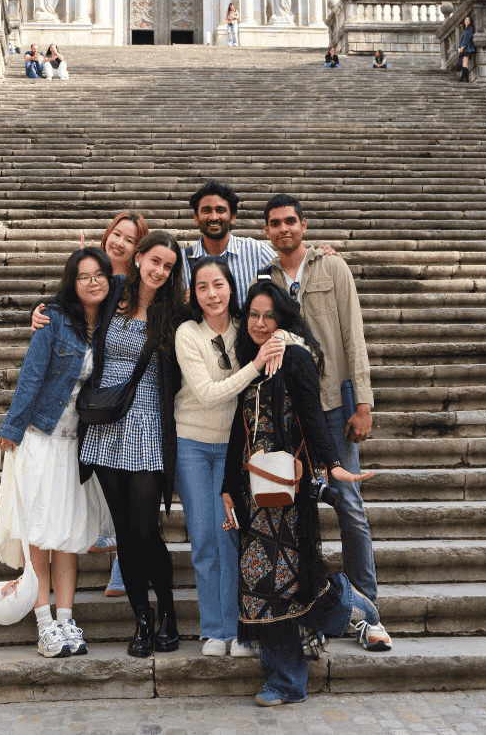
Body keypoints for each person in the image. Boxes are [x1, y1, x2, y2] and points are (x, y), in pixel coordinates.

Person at [222, 281, 384, 707]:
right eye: (253, 315)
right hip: (252, 489)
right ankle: (344, 599)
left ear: (284, 317)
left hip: (289, 490)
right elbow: (239, 430)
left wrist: (332, 465)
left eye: (268, 315)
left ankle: (286, 681)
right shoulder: (250, 358)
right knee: (264, 582)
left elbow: (312, 416)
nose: (259, 324)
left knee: (281, 582)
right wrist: (225, 488)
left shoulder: (294, 355)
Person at [254, 193, 392, 649]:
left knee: (349, 505)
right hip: (289, 411)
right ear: (267, 230)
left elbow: (354, 333)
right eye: (275, 223)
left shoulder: (333, 268)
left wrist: (364, 403)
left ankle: (367, 608)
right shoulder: (263, 275)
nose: (283, 229)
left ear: (304, 225)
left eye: (290, 221)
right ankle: (306, 608)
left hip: (333, 402)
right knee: (295, 507)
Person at [0, 247, 114, 659]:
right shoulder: (54, 320)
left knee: (67, 536)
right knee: (40, 535)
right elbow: (31, 376)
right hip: (40, 439)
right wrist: (11, 427)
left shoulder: (113, 323)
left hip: (78, 446)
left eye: (100, 274)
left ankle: (67, 619)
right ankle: (45, 623)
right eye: (84, 276)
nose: (94, 281)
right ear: (72, 282)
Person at [33, 211, 150, 598]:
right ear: (106, 236)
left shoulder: (136, 285)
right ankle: (105, 539)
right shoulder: (91, 275)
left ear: (138, 250)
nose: (119, 242)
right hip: (87, 402)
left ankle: (122, 563)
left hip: (124, 400)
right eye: (116, 234)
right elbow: (64, 305)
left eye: (129, 239)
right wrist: (39, 310)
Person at [79, 231, 186, 658]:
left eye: (168, 266)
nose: (160, 271)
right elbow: (71, 301)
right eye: (155, 261)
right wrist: (41, 311)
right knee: (124, 531)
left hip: (147, 423)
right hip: (106, 421)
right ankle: (142, 619)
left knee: (145, 530)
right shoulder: (113, 294)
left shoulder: (174, 313)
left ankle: (169, 613)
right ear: (139, 258)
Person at [174, 257, 285, 658]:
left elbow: (288, 337)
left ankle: (240, 630)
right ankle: (213, 630)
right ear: (194, 295)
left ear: (230, 287)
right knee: (204, 538)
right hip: (192, 445)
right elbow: (206, 393)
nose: (212, 294)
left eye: (218, 285)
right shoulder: (187, 333)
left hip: (235, 448)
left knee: (231, 537)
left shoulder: (248, 328)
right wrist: (254, 366)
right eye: (203, 287)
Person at [183, 182, 276, 305]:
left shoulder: (258, 252)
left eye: (220, 210)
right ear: (196, 218)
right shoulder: (182, 261)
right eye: (206, 211)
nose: (214, 217)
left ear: (232, 217)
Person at [458, 16, 476, 83]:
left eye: (468, 20)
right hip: (464, 49)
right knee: (465, 64)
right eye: (465, 20)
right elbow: (461, 40)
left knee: (465, 62)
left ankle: (462, 78)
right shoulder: (464, 30)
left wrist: (463, 47)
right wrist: (459, 48)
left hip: (468, 48)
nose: (466, 21)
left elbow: (468, 39)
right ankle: (467, 79)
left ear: (470, 21)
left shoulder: (470, 28)